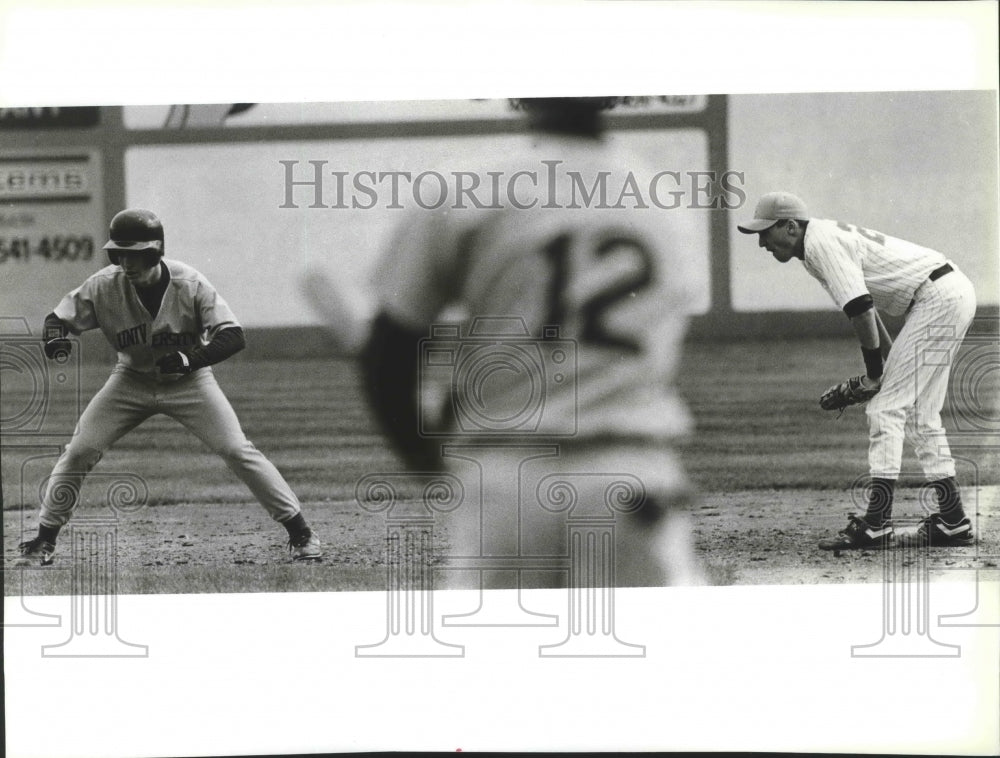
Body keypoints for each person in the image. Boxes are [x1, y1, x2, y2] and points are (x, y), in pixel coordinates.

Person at [359, 97, 707, 587]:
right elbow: (656, 354)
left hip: (508, 479)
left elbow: (386, 362)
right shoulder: (662, 201)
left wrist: (430, 462)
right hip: (630, 476)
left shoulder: (467, 188)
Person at [15, 208, 322, 566]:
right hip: (129, 380)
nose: (126, 263)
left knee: (237, 450)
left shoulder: (188, 283)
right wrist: (55, 340)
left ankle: (301, 533)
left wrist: (192, 359)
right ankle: (44, 539)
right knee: (80, 450)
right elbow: (57, 319)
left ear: (155, 252)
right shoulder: (103, 286)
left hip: (190, 383)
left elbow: (233, 335)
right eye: (120, 254)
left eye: (135, 254)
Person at [737, 191, 977, 550]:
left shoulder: (820, 245)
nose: (760, 242)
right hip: (948, 293)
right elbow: (868, 309)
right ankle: (953, 521)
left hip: (937, 299)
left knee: (885, 409)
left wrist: (873, 377)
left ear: (790, 226)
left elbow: (862, 310)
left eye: (765, 231)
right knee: (921, 416)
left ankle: (876, 524)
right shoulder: (818, 242)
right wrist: (885, 369)